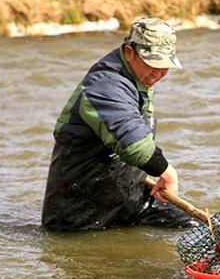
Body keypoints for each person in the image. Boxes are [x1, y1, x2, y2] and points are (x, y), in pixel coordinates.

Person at [42, 17, 195, 230]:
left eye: (165, 67)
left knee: (190, 226)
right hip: (80, 218)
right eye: (153, 64)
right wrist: (167, 172)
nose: (158, 73)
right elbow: (134, 144)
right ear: (129, 53)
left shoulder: (139, 77)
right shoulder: (105, 86)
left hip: (130, 203)